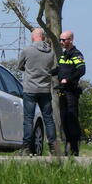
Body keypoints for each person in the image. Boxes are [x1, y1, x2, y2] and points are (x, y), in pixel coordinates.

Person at [16, 27, 57, 155]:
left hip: (30, 89)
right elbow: (52, 68)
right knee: (48, 119)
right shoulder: (50, 52)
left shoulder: (27, 50)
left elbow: (19, 66)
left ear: (33, 37)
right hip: (45, 89)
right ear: (43, 37)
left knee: (28, 119)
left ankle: (26, 147)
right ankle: (53, 147)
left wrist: (30, 70)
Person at [52, 30, 86, 156]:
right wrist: (47, 72)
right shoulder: (63, 55)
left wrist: (69, 79)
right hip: (62, 91)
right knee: (64, 119)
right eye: (60, 40)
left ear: (70, 40)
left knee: (72, 119)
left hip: (71, 91)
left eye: (64, 40)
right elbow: (59, 70)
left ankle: (74, 146)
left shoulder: (76, 55)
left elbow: (81, 70)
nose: (61, 42)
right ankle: (67, 143)